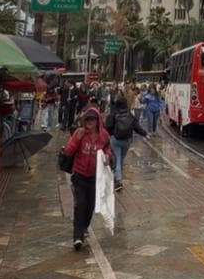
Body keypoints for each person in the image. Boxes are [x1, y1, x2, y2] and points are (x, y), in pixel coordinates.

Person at [61, 107, 112, 252]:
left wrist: (108, 156)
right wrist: (76, 139)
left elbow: (108, 148)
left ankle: (84, 227)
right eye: (87, 119)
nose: (90, 122)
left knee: (90, 206)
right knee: (80, 204)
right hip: (79, 175)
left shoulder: (104, 136)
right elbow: (68, 151)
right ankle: (77, 236)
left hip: (96, 176)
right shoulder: (79, 133)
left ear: (97, 121)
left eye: (92, 119)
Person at [104, 95, 149, 192]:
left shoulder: (113, 114)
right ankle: (117, 176)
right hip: (127, 141)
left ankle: (118, 180)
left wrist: (109, 135)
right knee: (121, 160)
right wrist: (145, 134)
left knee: (117, 159)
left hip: (115, 140)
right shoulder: (130, 115)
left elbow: (107, 127)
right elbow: (137, 127)